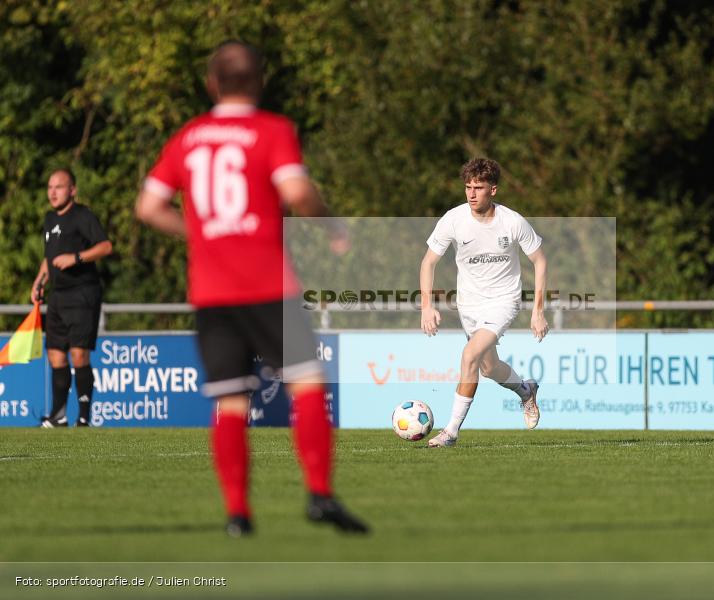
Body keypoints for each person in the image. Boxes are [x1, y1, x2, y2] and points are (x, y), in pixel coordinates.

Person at [135, 40, 367, 537]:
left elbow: (148, 208)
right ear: (258, 82)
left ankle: (238, 515)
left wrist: (199, 232)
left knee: (231, 402)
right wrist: (331, 227)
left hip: (212, 292)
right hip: (268, 285)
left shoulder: (189, 136)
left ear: (211, 84)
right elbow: (298, 192)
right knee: (306, 384)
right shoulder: (271, 129)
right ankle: (319, 495)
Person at [420, 158, 548, 447]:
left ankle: (450, 431)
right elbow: (428, 263)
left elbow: (540, 261)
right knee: (488, 367)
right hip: (469, 306)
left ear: (494, 190)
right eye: (467, 187)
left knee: (469, 356)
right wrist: (427, 306)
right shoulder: (453, 219)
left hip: (504, 301)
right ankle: (526, 391)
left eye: (478, 187)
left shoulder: (512, 222)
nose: (471, 193)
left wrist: (538, 312)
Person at [32, 168, 112, 428]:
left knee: (79, 355)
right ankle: (58, 416)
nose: (53, 192)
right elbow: (49, 256)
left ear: (73, 190)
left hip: (82, 293)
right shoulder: (48, 219)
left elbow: (105, 246)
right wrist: (40, 280)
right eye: (50, 187)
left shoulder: (83, 216)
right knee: (55, 355)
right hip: (58, 295)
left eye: (59, 187)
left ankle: (84, 418)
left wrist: (76, 258)